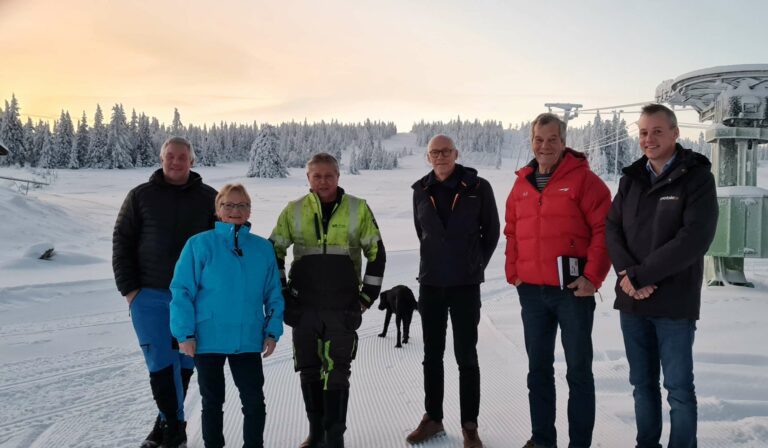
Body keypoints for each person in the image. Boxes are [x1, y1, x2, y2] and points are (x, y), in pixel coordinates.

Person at [605, 104, 717, 448]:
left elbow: (694, 238)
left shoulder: (696, 177)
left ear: (675, 133)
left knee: (679, 389)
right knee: (642, 385)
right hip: (632, 301)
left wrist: (640, 276)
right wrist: (628, 275)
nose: (648, 139)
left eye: (656, 131)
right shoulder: (631, 178)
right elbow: (612, 228)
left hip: (674, 302)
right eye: (643, 132)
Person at [504, 113, 611, 448]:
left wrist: (593, 277)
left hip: (572, 293)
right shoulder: (521, 184)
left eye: (552, 139)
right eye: (539, 139)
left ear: (564, 141)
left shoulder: (585, 181)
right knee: (538, 371)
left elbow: (604, 231)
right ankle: (542, 439)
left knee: (578, 372)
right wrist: (514, 272)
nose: (544, 146)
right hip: (532, 294)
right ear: (531, 141)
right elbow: (512, 232)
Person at [269, 152, 386, 448]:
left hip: (342, 307)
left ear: (338, 176)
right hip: (304, 307)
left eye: (329, 175)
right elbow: (274, 253)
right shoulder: (293, 210)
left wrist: (366, 298)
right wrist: (284, 296)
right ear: (308, 178)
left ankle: (334, 438)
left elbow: (377, 254)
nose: (323, 181)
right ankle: (316, 433)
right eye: (317, 176)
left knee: (336, 373)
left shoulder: (358, 209)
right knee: (308, 370)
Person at [112, 136, 217, 448]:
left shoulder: (209, 198)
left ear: (191, 161)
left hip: (193, 298)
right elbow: (122, 242)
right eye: (170, 156)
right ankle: (175, 433)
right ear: (161, 159)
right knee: (160, 363)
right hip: (150, 296)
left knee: (184, 363)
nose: (175, 162)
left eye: (181, 157)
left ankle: (163, 430)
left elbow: (221, 247)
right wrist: (131, 291)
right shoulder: (139, 196)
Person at [170, 183, 284, 448]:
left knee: (254, 401)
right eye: (229, 205)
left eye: (242, 205)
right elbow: (181, 291)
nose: (236, 210)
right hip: (207, 338)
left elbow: (273, 294)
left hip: (247, 338)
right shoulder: (199, 245)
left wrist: (272, 331)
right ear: (218, 209)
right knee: (212, 402)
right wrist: (184, 333)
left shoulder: (262, 248)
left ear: (249, 210)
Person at [406, 134, 499, 448]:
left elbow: (492, 231)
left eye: (446, 151)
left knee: (466, 356)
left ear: (456, 153)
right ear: (428, 157)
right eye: (435, 152)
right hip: (431, 283)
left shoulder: (478, 187)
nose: (441, 156)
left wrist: (475, 266)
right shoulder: (420, 190)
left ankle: (469, 426)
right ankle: (433, 418)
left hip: (465, 286)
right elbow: (423, 233)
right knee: (432, 355)